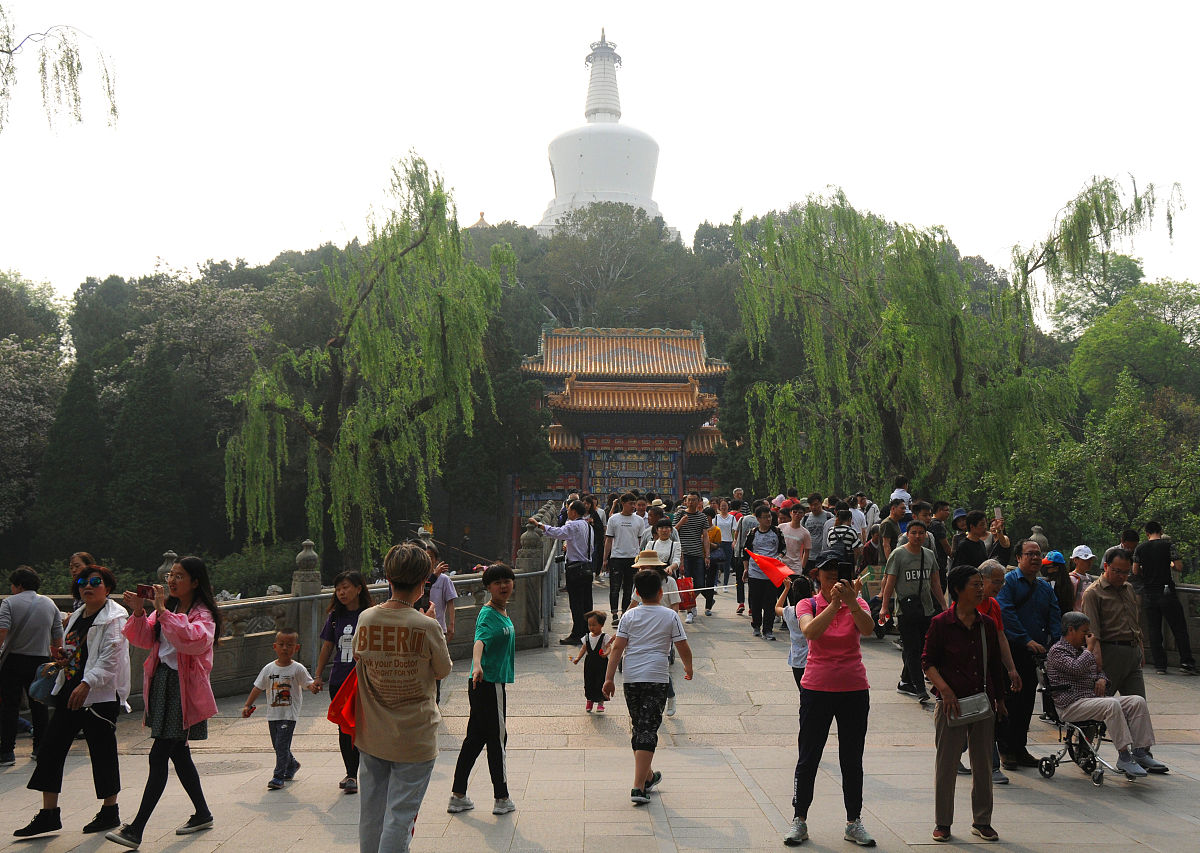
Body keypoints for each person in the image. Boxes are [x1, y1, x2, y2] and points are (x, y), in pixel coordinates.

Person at [108, 556, 222, 849]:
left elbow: (193, 640)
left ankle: (136, 829)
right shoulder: (169, 607)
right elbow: (144, 638)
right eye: (171, 575)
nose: (172, 580)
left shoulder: (203, 613)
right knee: (178, 753)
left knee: (160, 755)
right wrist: (138, 612)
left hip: (182, 690)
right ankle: (202, 813)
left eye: (179, 576)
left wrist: (161, 611)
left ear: (195, 582)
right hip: (163, 684)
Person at [14, 565, 129, 839]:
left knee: (102, 751)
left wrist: (88, 682)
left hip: (98, 696)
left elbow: (110, 658)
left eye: (94, 582)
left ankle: (110, 810)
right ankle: (48, 814)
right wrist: (64, 659)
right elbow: (78, 651)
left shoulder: (115, 617)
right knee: (50, 749)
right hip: (69, 690)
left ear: (108, 587)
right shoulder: (77, 615)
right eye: (82, 582)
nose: (87, 586)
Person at [353, 542, 452, 852]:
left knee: (371, 814)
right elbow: (442, 670)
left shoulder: (367, 618)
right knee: (400, 817)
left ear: (388, 577)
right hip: (415, 735)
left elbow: (359, 656)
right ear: (424, 581)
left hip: (372, 732)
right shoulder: (426, 625)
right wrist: (431, 622)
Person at [786, 553, 876, 848]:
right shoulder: (807, 603)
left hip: (853, 688)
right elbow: (810, 631)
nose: (833, 576)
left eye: (838, 571)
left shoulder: (858, 603)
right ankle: (799, 819)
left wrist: (850, 602)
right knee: (809, 756)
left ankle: (854, 821)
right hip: (817, 689)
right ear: (817, 575)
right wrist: (835, 604)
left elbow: (868, 628)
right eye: (827, 572)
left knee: (852, 758)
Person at [922, 565, 1007, 843]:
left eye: (981, 584)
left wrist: (1001, 699)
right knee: (946, 765)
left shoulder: (987, 625)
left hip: (982, 704)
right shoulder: (941, 624)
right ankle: (943, 822)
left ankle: (982, 821)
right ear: (958, 590)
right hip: (950, 704)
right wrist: (945, 691)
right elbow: (928, 663)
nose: (981, 589)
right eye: (975, 584)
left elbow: (994, 665)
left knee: (982, 764)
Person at [602, 569, 693, 806]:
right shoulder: (670, 616)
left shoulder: (628, 617)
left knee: (639, 727)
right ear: (661, 592)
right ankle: (638, 787)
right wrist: (689, 667)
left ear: (637, 593)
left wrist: (609, 678)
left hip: (631, 678)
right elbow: (682, 646)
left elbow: (618, 649)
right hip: (656, 677)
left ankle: (649, 776)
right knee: (647, 729)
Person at [1045, 611, 1168, 777]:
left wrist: (1101, 679)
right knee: (1112, 704)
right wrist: (1090, 649)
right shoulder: (1057, 651)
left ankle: (1140, 752)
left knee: (1137, 701)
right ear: (1071, 630)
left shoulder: (1082, 651)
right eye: (1084, 632)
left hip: (1090, 700)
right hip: (1071, 705)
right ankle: (1124, 755)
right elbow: (1075, 668)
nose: (1089, 636)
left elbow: (1097, 671)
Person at [449, 563, 517, 816]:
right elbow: (479, 640)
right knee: (498, 740)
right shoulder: (488, 614)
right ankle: (502, 798)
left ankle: (458, 795)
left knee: (475, 740)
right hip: (488, 683)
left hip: (487, 683)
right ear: (488, 587)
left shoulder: (501, 611)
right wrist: (477, 665)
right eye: (497, 582)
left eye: (507, 580)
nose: (503, 585)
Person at [995, 539, 1060, 771]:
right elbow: (1006, 613)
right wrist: (1026, 639)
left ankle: (1019, 747)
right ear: (1018, 557)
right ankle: (1005, 749)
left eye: (1037, 554)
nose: (1034, 558)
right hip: (1012, 651)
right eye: (1029, 554)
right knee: (1009, 700)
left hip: (1036, 654)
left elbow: (1054, 615)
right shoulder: (1009, 583)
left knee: (1027, 702)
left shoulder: (1044, 587)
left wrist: (1055, 642)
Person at [312, 570, 373, 793]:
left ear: (359, 588)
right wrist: (318, 676)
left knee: (366, 725)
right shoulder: (335, 618)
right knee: (344, 727)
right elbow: (327, 647)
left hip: (364, 679)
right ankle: (351, 774)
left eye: (346, 587)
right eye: (338, 589)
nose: (342, 592)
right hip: (339, 679)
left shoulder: (371, 615)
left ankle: (370, 770)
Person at [0, 566, 64, 766]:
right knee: (39, 705)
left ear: (18, 585)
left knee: (9, 707)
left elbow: (2, 631)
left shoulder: (9, 603)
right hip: (41, 661)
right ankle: (40, 748)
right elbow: (57, 635)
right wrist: (58, 656)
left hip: (13, 661)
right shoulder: (49, 603)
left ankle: (7, 752)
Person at [880, 520, 947, 701]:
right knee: (913, 648)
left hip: (926, 608)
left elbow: (935, 582)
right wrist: (885, 607)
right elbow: (890, 582)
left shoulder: (929, 555)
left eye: (921, 533)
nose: (917, 536)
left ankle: (905, 681)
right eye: (914, 533)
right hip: (905, 609)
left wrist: (943, 604)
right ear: (907, 535)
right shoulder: (898, 555)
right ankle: (919, 688)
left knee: (921, 647)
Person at [242, 630, 316, 789]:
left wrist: (314, 687)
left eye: (289, 645)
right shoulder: (268, 669)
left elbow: (308, 683)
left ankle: (278, 776)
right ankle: (292, 764)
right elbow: (257, 688)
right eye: (281, 645)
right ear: (275, 647)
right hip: (273, 714)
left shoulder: (298, 668)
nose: (285, 648)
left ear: (296, 648)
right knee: (278, 745)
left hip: (289, 714)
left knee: (282, 745)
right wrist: (247, 705)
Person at [1133, 521, 1196, 675]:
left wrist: (1146, 572)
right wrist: (1170, 565)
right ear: (1160, 532)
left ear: (1147, 533)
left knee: (1154, 630)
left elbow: (1135, 571)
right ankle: (1186, 663)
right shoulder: (1168, 546)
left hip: (1149, 593)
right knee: (1179, 628)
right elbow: (1179, 567)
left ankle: (1160, 665)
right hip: (1167, 591)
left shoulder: (1140, 548)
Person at [1081, 549, 1146, 698]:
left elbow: (1135, 621)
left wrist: (1140, 648)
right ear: (1106, 566)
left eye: (1126, 572)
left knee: (1138, 704)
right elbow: (1092, 632)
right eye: (1117, 571)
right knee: (1103, 703)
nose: (1122, 576)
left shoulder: (1128, 588)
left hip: (1132, 652)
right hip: (1110, 653)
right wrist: (1098, 663)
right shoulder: (1093, 593)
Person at [627, 550, 682, 715]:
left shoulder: (670, 582)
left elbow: (675, 605)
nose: (641, 570)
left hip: (663, 628)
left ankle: (670, 696)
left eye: (644, 567)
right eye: (640, 567)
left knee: (660, 666)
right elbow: (633, 604)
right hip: (642, 627)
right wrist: (624, 620)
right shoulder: (640, 583)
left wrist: (672, 625)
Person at [533, 499, 593, 645]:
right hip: (587, 567)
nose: (567, 512)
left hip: (575, 569)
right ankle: (587, 631)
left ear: (574, 511)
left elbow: (558, 532)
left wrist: (539, 525)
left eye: (569, 509)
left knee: (576, 603)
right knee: (586, 602)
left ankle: (577, 634)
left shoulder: (572, 524)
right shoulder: (587, 525)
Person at [741, 505, 786, 640]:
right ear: (758, 519)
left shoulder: (777, 532)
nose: (768, 519)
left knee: (770, 602)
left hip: (771, 573)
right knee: (755, 601)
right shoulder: (753, 533)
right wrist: (746, 569)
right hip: (755, 572)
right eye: (765, 517)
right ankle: (756, 625)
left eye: (770, 516)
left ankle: (768, 629)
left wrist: (779, 558)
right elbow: (746, 552)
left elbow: (783, 549)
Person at [603, 494, 648, 624]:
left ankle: (625, 613)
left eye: (634, 503)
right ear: (622, 503)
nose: (633, 506)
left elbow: (641, 541)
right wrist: (605, 559)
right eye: (630, 504)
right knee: (615, 587)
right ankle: (614, 614)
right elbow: (609, 540)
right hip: (617, 557)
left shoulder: (638, 520)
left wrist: (641, 559)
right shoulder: (614, 519)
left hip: (633, 558)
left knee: (629, 587)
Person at [674, 492, 712, 621]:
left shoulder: (702, 517)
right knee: (687, 584)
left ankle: (690, 603)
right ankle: (689, 611)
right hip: (683, 554)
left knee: (700, 584)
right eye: (689, 500)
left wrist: (707, 555)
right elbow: (673, 531)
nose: (691, 502)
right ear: (685, 502)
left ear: (699, 502)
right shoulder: (680, 514)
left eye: (694, 500)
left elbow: (705, 537)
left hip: (697, 554)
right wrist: (681, 522)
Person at [775, 573, 814, 690]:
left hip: (796, 659)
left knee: (802, 691)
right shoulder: (815, 609)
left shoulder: (790, 611)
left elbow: (777, 607)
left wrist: (786, 588)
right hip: (812, 658)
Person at [570, 610, 610, 713]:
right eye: (589, 625)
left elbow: (608, 647)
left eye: (594, 625)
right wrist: (578, 658)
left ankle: (601, 702)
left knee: (600, 681)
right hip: (589, 663)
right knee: (589, 681)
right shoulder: (587, 637)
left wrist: (606, 654)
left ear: (601, 625)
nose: (591, 627)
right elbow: (584, 648)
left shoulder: (604, 637)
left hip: (601, 662)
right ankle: (589, 700)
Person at [1068, 546, 1096, 610]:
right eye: (1085, 560)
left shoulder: (1090, 578)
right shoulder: (1071, 579)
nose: (1089, 562)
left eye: (1090, 559)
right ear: (1075, 560)